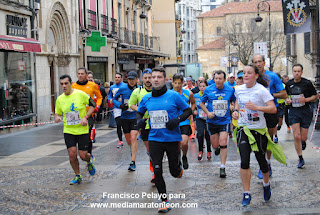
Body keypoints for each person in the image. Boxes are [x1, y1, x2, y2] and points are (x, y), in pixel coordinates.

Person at [137, 67, 192, 213]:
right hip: (154, 139)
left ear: (164, 79)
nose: (155, 79)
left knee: (174, 172)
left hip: (172, 139)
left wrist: (177, 120)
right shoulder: (146, 98)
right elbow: (139, 113)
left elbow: (188, 110)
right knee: (157, 170)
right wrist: (140, 122)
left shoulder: (174, 96)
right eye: (153, 77)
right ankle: (164, 201)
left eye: (158, 77)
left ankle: (178, 167)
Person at [232, 64, 276, 206]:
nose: (245, 75)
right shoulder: (239, 89)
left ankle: (266, 183)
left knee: (261, 161)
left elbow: (273, 108)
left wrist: (257, 108)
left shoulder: (261, 91)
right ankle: (246, 193)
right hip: (244, 129)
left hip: (258, 130)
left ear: (256, 76)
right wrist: (236, 111)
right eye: (244, 73)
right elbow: (238, 103)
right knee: (244, 160)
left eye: (249, 73)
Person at [55, 75, 96, 185]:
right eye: (62, 84)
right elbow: (57, 113)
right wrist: (57, 117)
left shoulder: (80, 94)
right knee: (72, 154)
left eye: (66, 83)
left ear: (71, 83)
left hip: (82, 130)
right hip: (68, 130)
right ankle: (78, 175)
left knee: (83, 156)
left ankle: (89, 160)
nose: (64, 86)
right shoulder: (59, 99)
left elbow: (93, 105)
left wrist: (86, 117)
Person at [253, 54, 287, 179]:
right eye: (255, 62)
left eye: (260, 61)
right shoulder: (252, 77)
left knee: (268, 140)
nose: (258, 64)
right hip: (256, 112)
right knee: (258, 141)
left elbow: (283, 94)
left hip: (270, 111)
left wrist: (269, 95)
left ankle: (266, 163)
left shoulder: (272, 76)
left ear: (264, 62)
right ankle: (262, 165)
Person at [200, 70, 236, 178]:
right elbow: (202, 103)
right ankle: (217, 148)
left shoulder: (230, 90)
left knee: (223, 142)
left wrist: (234, 109)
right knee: (215, 145)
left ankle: (222, 167)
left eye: (220, 79)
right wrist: (207, 113)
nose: (218, 81)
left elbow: (235, 100)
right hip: (212, 121)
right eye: (216, 78)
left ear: (224, 80)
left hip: (224, 121)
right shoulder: (208, 89)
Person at [285, 64, 318, 168]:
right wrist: (287, 100)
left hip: (305, 111)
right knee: (297, 136)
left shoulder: (307, 83)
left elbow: (315, 96)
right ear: (292, 72)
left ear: (302, 72)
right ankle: (300, 158)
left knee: (303, 137)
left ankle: (303, 142)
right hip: (294, 111)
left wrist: (306, 100)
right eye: (295, 71)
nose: (296, 73)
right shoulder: (289, 84)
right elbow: (286, 96)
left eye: (298, 71)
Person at [128, 68, 154, 182]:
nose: (148, 80)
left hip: (157, 124)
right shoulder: (137, 92)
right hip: (145, 124)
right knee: (149, 149)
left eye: (150, 77)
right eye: (146, 78)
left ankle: (155, 173)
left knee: (155, 148)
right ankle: (153, 164)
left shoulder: (159, 90)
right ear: (142, 79)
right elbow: (131, 104)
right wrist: (140, 110)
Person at [72, 68, 102, 156]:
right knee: (76, 136)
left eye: (82, 74)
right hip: (76, 115)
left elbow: (99, 97)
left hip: (89, 114)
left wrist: (97, 106)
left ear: (86, 75)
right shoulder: (73, 86)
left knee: (87, 135)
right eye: (79, 74)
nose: (80, 75)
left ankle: (89, 154)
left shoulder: (93, 85)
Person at [113, 71, 139, 171]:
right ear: (127, 80)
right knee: (129, 141)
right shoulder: (122, 89)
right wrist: (120, 105)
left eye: (133, 79)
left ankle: (133, 162)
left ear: (137, 79)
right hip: (125, 117)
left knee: (133, 138)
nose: (131, 81)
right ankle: (132, 149)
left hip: (135, 117)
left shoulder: (139, 90)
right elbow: (113, 99)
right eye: (129, 79)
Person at [172, 73, 196, 169]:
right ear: (172, 83)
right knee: (174, 145)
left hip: (184, 121)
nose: (177, 85)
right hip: (173, 121)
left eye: (179, 83)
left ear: (183, 83)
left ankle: (184, 156)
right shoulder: (169, 94)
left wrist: (190, 112)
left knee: (184, 143)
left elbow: (193, 103)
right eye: (175, 83)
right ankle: (177, 159)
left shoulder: (188, 93)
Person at [194, 80, 212, 160]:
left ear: (207, 86)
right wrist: (194, 111)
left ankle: (209, 151)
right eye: (200, 86)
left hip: (208, 118)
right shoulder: (195, 96)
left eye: (203, 86)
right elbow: (193, 105)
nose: (202, 88)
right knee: (200, 134)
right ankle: (200, 151)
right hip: (199, 118)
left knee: (208, 135)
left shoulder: (210, 95)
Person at [109, 73, 126, 147]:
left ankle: (128, 136)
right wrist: (110, 99)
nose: (117, 78)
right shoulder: (112, 87)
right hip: (116, 107)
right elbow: (109, 96)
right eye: (116, 77)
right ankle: (120, 140)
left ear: (121, 78)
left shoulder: (125, 86)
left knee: (125, 124)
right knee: (118, 124)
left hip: (124, 107)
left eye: (118, 77)